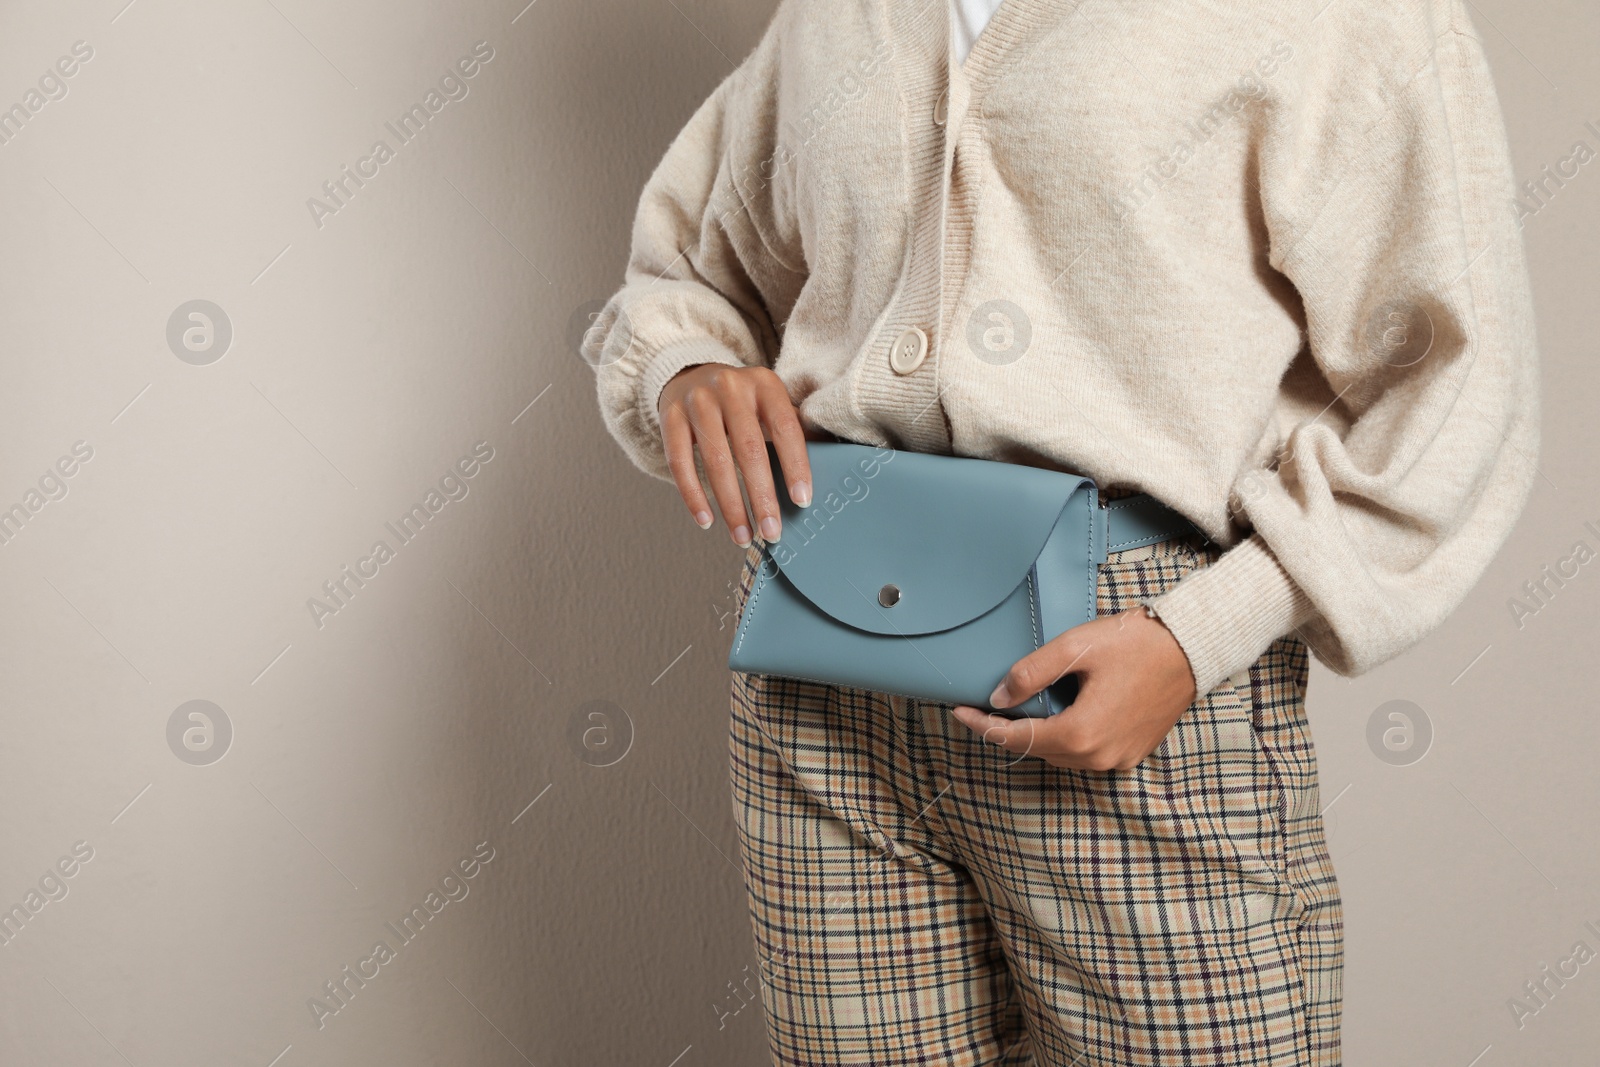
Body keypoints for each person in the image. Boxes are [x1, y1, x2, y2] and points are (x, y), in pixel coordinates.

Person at [584, 0, 1539, 1062]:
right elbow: (692, 269)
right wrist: (687, 361)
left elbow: (1454, 385)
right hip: (821, 673)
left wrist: (1199, 634)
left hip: (1130, 657)